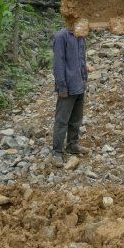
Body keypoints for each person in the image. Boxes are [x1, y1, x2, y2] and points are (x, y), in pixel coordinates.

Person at [51, 24, 88, 162]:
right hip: (68, 86)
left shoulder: (81, 35)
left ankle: (72, 145)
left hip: (80, 84)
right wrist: (62, 87)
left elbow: (80, 59)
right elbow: (58, 64)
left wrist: (85, 70)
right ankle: (57, 152)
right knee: (62, 120)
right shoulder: (62, 36)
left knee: (76, 119)